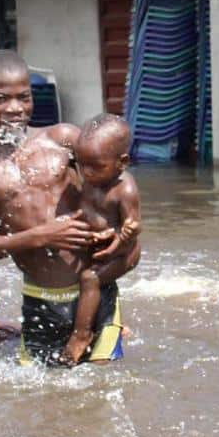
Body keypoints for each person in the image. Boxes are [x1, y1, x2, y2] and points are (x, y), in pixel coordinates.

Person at [0, 49, 105, 366]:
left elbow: (118, 185)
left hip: (93, 291)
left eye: (24, 97)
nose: (15, 109)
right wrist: (41, 236)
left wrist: (122, 242)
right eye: (1, 99)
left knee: (104, 393)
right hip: (39, 299)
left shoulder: (63, 139)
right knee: (39, 400)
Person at [62, 113, 141, 366]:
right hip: (100, 245)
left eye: (96, 166)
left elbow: (133, 227)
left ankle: (81, 335)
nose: (87, 172)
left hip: (123, 251)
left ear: (122, 162)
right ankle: (111, 322)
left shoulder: (124, 188)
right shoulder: (89, 179)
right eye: (81, 164)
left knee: (91, 279)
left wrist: (117, 241)